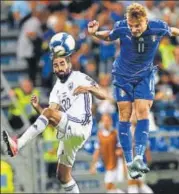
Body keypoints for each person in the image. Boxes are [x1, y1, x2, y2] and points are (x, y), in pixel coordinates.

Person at [3, 32, 112, 194]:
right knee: (63, 176)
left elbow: (105, 96)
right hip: (69, 133)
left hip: (80, 125)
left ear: (68, 64)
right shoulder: (56, 90)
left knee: (49, 114)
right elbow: (50, 115)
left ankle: (18, 144)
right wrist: (38, 109)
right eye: (56, 65)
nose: (59, 68)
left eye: (62, 64)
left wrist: (89, 88)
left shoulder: (79, 77)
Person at [87, 2, 179, 179]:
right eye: (131, 25)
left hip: (144, 76)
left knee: (143, 112)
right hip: (122, 76)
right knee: (125, 115)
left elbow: (173, 31)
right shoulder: (122, 27)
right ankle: (129, 162)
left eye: (137, 26)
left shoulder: (158, 26)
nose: (134, 29)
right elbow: (109, 36)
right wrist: (95, 33)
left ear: (145, 21)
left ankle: (138, 156)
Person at [90, 113, 125, 193]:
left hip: (117, 164)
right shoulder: (99, 135)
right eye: (105, 120)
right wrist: (93, 166)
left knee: (110, 185)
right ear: (102, 122)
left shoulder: (115, 134)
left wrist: (119, 151)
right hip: (107, 163)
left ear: (111, 121)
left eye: (108, 120)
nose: (106, 122)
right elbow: (97, 151)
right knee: (111, 187)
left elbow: (122, 148)